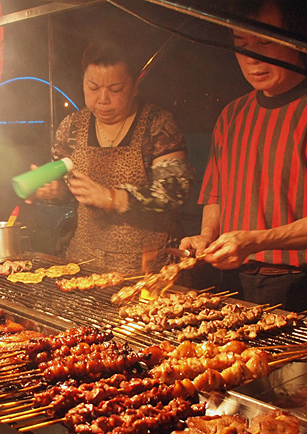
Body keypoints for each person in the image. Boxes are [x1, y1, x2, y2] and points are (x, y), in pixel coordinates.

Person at [180, 0, 307, 321]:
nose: (252, 58)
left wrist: (254, 241)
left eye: (265, 42)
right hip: (232, 284)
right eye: (241, 45)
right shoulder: (232, 115)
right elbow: (215, 196)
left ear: (299, 36)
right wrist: (206, 237)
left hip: (304, 288)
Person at [32, 40, 194, 274]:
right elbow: (66, 187)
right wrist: (54, 191)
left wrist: (113, 198)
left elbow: (174, 190)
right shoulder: (72, 128)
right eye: (93, 88)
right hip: (85, 263)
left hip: (149, 268)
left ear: (135, 86)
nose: (103, 99)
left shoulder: (158, 125)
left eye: (115, 89)